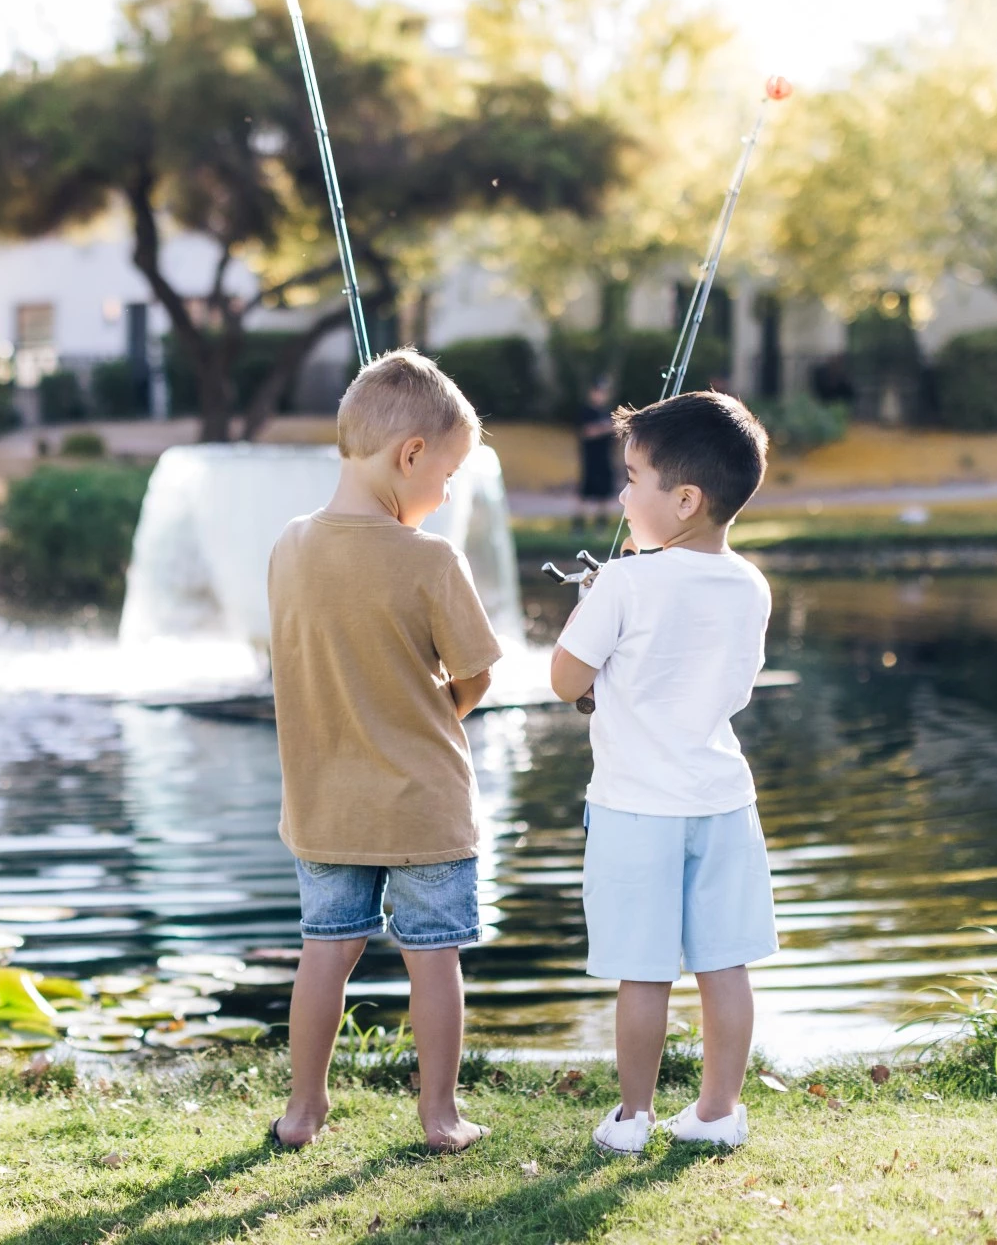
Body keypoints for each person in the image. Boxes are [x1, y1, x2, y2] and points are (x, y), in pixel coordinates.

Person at [267, 348, 503, 1155]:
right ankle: (440, 1116)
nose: (444, 496)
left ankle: (304, 1110)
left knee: (324, 952)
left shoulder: (289, 547)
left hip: (324, 803)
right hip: (425, 803)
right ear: (410, 456)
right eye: (448, 476)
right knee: (433, 958)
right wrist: (436, 705)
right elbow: (475, 677)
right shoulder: (433, 559)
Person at [548, 391, 778, 1154]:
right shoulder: (751, 584)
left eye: (633, 477)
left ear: (684, 499)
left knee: (643, 973)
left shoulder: (622, 581)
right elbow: (729, 683)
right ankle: (718, 1113)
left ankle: (634, 1117)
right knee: (724, 964)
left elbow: (564, 677)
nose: (621, 494)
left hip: (633, 809)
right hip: (721, 801)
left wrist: (591, 604)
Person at [575, 377, 619, 522]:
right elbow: (587, 432)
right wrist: (606, 428)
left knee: (604, 493)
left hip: (605, 457)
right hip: (591, 458)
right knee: (586, 493)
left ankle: (601, 522)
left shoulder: (607, 412)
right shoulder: (586, 411)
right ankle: (579, 523)